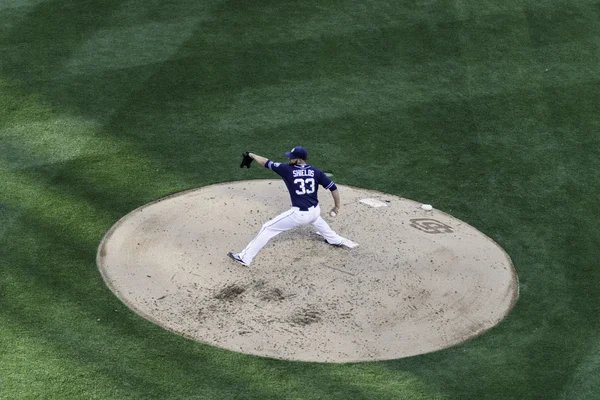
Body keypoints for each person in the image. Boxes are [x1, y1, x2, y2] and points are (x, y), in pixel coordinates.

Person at [228, 146, 357, 266]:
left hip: (299, 215)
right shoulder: (316, 172)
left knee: (267, 228)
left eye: (292, 157)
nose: (289, 159)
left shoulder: (287, 170)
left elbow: (266, 162)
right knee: (317, 220)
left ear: (299, 159)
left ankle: (245, 257)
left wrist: (251, 155)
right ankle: (334, 239)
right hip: (315, 211)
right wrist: (336, 207)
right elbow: (333, 189)